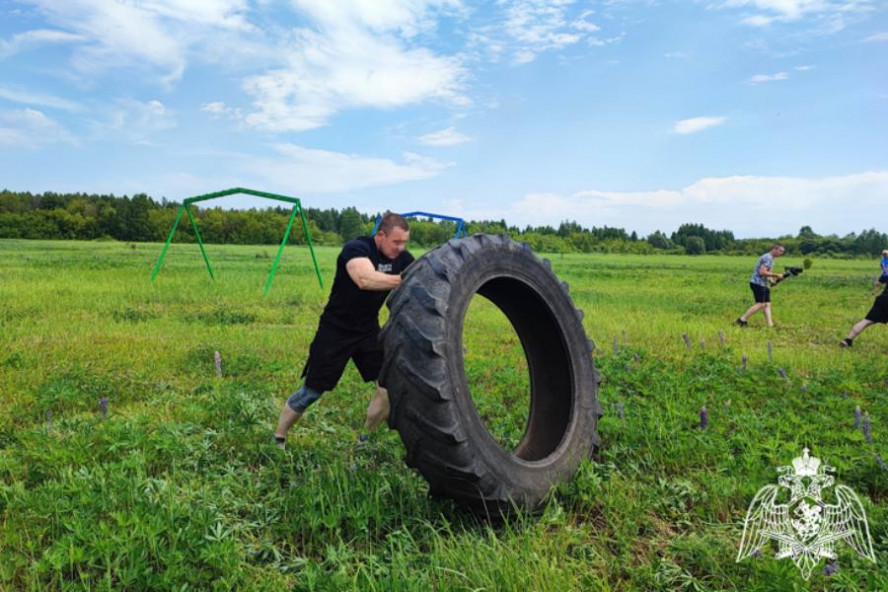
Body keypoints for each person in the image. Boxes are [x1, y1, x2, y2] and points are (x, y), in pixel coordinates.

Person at [274, 213, 414, 448]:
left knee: (387, 386)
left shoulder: (403, 259)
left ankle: (364, 439)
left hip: (368, 330)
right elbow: (364, 279)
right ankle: (279, 436)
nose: (401, 248)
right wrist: (404, 279)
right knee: (312, 391)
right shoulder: (357, 248)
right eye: (396, 242)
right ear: (380, 235)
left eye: (404, 243)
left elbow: (424, 281)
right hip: (335, 330)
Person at [736, 243, 786, 328]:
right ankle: (741, 320)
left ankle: (770, 325)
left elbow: (768, 272)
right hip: (758, 283)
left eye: (783, 251)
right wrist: (777, 275)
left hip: (763, 284)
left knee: (767, 304)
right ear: (775, 249)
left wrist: (771, 281)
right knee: (761, 304)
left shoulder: (771, 259)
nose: (781, 253)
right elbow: (762, 272)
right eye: (780, 251)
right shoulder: (768, 258)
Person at [841, 279, 888, 348]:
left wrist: (873, 292)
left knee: (866, 321)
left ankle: (848, 340)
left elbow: (878, 283)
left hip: (883, 298)